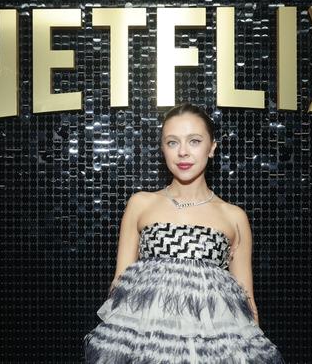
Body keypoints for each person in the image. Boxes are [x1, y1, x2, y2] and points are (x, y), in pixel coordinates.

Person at [83, 103, 284, 363]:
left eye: (195, 141)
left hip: (213, 351)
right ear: (163, 149)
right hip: (147, 348)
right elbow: (120, 285)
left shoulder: (233, 216)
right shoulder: (141, 204)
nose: (183, 152)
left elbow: (246, 301)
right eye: (172, 142)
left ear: (212, 147)